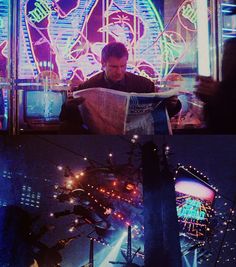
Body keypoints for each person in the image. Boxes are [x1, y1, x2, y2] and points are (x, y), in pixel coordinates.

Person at [59, 42, 182, 134]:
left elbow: (158, 116)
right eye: (113, 67)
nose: (119, 71)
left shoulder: (143, 85)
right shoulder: (88, 86)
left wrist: (173, 105)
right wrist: (69, 107)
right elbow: (70, 119)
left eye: (123, 66)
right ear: (103, 63)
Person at [195, 38, 236, 133]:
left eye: (232, 54)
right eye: (225, 54)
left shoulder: (222, 91)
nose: (225, 60)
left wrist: (218, 96)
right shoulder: (222, 87)